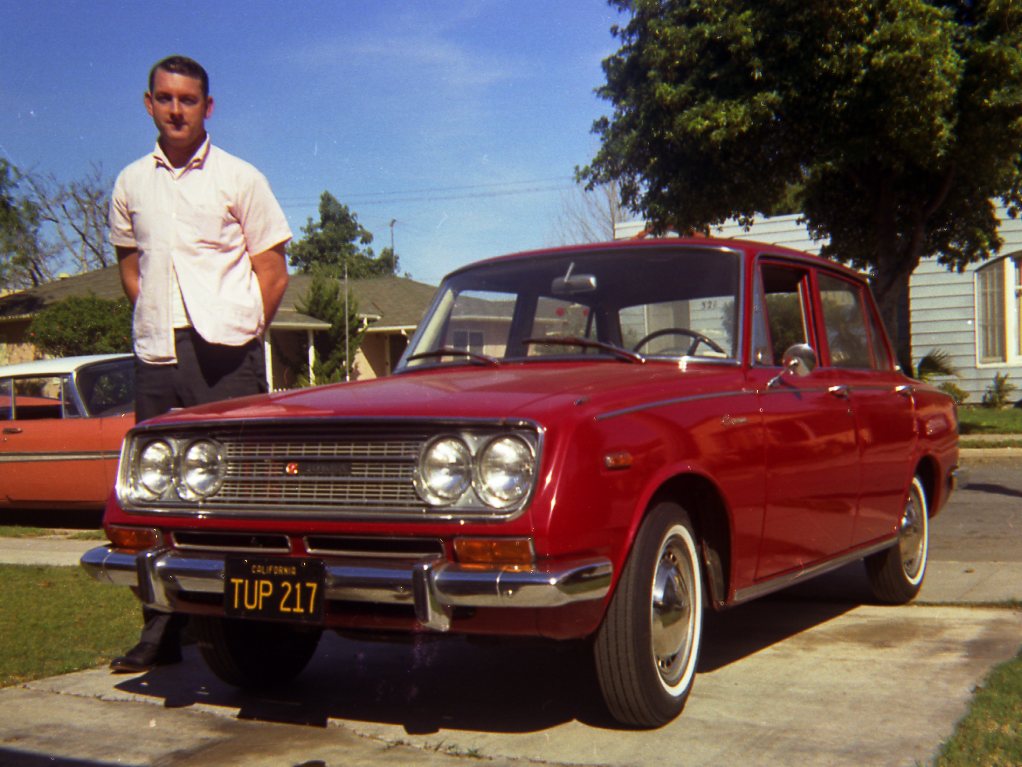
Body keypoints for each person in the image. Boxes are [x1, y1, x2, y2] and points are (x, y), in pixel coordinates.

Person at [107, 55, 291, 673]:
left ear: (207, 107)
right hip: (158, 352)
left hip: (229, 357)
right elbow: (131, 266)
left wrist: (241, 331)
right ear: (148, 103)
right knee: (153, 493)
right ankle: (161, 629)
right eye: (165, 98)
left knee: (241, 492)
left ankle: (249, 629)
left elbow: (273, 271)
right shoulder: (131, 182)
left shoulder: (241, 178)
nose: (176, 109)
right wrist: (159, 319)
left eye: (188, 99)